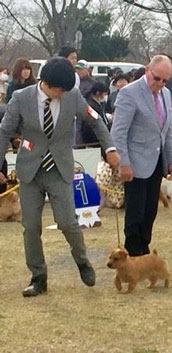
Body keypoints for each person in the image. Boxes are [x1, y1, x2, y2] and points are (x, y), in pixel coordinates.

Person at [0, 57, 120, 297]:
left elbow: (96, 123)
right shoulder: (21, 98)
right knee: (30, 226)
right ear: (46, 83)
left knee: (67, 222)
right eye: (59, 90)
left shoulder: (73, 97)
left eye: (67, 90)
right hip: (30, 171)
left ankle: (83, 262)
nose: (63, 94)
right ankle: (38, 277)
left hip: (60, 169)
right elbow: (4, 132)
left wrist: (110, 149)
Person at [111, 55, 172, 257]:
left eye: (165, 80)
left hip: (157, 162)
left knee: (150, 211)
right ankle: (132, 251)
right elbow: (118, 132)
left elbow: (166, 132)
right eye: (157, 78)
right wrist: (124, 163)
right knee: (135, 211)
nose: (160, 83)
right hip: (134, 162)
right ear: (147, 69)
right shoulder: (129, 94)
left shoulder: (166, 95)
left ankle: (144, 246)